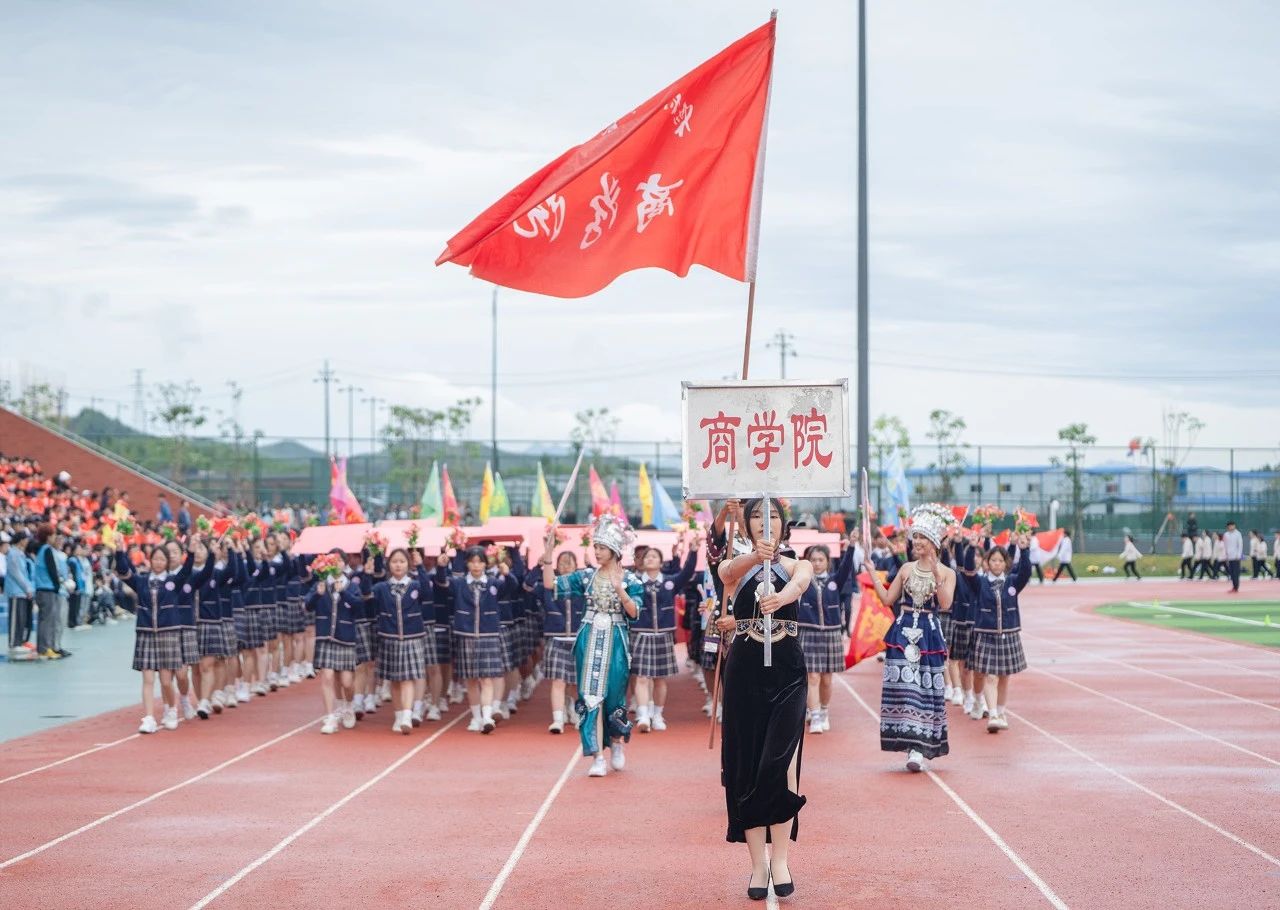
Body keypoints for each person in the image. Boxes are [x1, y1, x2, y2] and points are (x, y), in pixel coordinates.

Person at [716, 497, 812, 900]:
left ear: (783, 522)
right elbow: (728, 573)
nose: (764, 521)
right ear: (746, 522)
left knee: (781, 761)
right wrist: (754, 556)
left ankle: (781, 859)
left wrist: (783, 596)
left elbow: (801, 581)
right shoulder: (734, 564)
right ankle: (757, 864)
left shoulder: (795, 563)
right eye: (757, 515)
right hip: (745, 672)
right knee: (747, 765)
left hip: (788, 673)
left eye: (772, 515)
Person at [540, 514, 642, 778]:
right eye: (595, 547)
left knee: (614, 698)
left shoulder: (630, 580)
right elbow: (551, 585)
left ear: (615, 550)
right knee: (589, 696)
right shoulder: (585, 577)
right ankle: (596, 755)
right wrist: (548, 555)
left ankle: (617, 743)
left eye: (601, 548)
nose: (596, 552)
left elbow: (634, 613)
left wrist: (621, 592)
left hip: (617, 641)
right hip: (588, 637)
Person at [863, 504, 957, 773]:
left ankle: (921, 745)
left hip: (929, 633)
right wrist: (871, 571)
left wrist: (938, 573)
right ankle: (909, 744)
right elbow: (887, 599)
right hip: (902, 631)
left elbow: (946, 603)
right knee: (903, 688)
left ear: (934, 543)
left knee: (926, 689)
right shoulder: (905, 569)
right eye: (915, 537)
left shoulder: (948, 573)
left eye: (922, 538)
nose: (916, 542)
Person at [966, 534, 1032, 731]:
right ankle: (992, 714)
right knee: (991, 677)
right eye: (993, 560)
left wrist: (1024, 550)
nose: (996, 564)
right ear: (987, 563)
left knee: (1004, 677)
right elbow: (968, 571)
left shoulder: (1012, 582)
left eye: (1000, 560)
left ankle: (1001, 712)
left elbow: (1026, 573)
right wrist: (971, 548)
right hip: (986, 634)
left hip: (1008, 634)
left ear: (1006, 563)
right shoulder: (980, 582)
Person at [631, 539, 698, 733]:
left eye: (654, 556)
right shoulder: (634, 583)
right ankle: (643, 715)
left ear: (661, 563)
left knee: (660, 679)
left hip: (663, 635)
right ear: (642, 563)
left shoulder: (670, 582)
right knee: (642, 677)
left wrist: (692, 552)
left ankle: (657, 714)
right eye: (647, 557)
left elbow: (686, 573)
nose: (650, 558)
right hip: (641, 634)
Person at [796, 542, 854, 734]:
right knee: (812, 676)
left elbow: (846, 567)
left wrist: (851, 546)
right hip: (809, 632)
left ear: (828, 562)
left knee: (827, 679)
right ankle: (815, 716)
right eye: (813, 560)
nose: (817, 563)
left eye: (821, 560)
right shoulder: (802, 581)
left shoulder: (834, 580)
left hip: (830, 634)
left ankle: (824, 710)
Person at [371, 548, 429, 734]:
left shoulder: (416, 585)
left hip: (412, 638)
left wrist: (420, 566)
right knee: (395, 680)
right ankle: (398, 715)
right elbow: (366, 598)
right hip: (389, 639)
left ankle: (406, 715)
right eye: (394, 561)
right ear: (389, 564)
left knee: (408, 679)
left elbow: (428, 592)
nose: (398, 565)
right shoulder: (382, 587)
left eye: (402, 561)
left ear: (408, 564)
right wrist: (367, 572)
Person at [308, 552, 363, 734]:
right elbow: (307, 605)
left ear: (345, 564)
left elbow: (359, 607)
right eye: (332, 560)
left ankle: (348, 705)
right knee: (328, 676)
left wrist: (343, 592)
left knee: (347, 682)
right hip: (325, 637)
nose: (336, 563)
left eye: (339, 560)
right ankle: (331, 716)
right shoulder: (321, 583)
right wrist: (317, 594)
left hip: (345, 637)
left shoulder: (351, 584)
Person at [541, 550, 586, 734]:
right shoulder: (551, 585)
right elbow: (536, 583)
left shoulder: (583, 585)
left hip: (578, 638)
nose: (566, 565)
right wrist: (546, 560)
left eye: (570, 562)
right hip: (558, 639)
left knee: (578, 683)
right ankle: (557, 719)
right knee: (559, 681)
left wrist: (590, 565)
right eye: (562, 562)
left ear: (577, 565)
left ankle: (577, 713)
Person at [5, 529, 35, 653]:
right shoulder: (12, 553)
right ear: (21, 540)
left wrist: (28, 588)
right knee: (15, 618)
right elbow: (16, 573)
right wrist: (27, 587)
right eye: (26, 539)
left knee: (21, 618)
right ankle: (13, 643)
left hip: (22, 591)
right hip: (16, 590)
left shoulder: (21, 554)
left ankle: (19, 641)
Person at [1223, 521, 1244, 593]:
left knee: (1236, 573)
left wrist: (1239, 555)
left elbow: (1240, 545)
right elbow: (1225, 545)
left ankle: (1236, 587)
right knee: (1231, 573)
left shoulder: (1238, 534)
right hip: (1229, 556)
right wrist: (1225, 555)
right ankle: (1233, 586)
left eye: (1232, 526)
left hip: (1236, 556)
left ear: (1234, 526)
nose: (1231, 527)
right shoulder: (1226, 534)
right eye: (1229, 526)